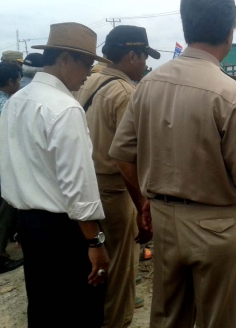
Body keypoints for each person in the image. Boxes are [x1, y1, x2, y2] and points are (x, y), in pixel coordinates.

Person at [109, 0, 236, 328]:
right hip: (215, 226)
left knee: (169, 317)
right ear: (229, 33)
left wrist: (144, 200)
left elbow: (123, 156)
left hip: (165, 220)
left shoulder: (148, 86)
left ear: (186, 28)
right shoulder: (230, 93)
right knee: (221, 319)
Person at [0, 23, 110, 328]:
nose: (89, 73)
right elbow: (79, 189)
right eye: (86, 64)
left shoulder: (16, 102)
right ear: (64, 59)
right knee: (79, 310)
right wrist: (95, 243)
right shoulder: (64, 109)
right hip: (64, 229)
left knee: (45, 307)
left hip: (28, 224)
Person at [75, 25, 158, 328]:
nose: (145, 65)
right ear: (132, 55)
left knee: (98, 266)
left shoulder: (89, 81)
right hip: (115, 189)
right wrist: (141, 207)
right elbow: (126, 159)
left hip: (87, 186)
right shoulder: (125, 93)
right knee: (121, 273)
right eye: (144, 57)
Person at [0, 63, 23, 277]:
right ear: (11, 82)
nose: (20, 84)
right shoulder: (6, 107)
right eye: (19, 79)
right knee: (3, 216)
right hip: (1, 170)